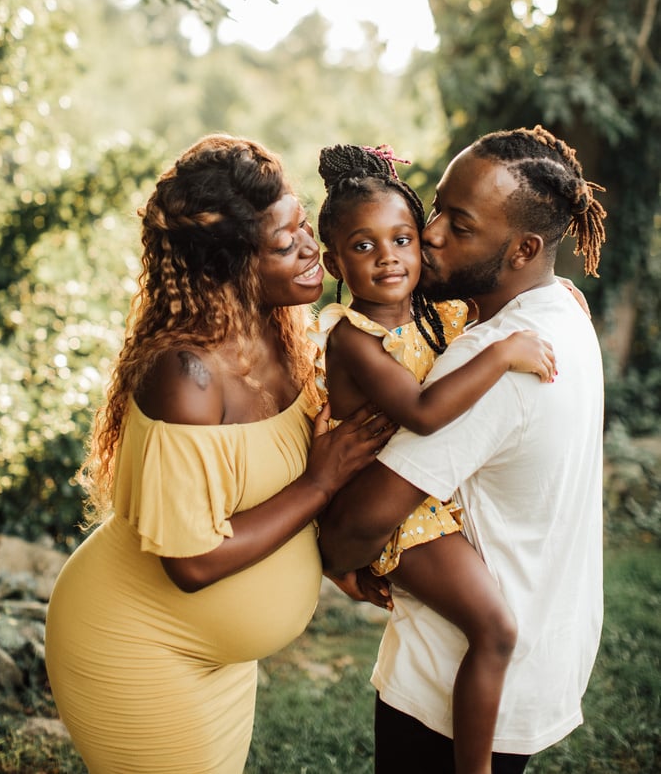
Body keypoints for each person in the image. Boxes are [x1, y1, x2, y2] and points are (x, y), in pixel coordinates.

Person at [44, 134, 395, 774]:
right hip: (138, 648)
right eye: (286, 244)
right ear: (227, 268)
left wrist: (334, 551)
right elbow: (193, 563)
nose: (315, 250)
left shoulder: (279, 328)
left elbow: (267, 490)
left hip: (219, 656)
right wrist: (319, 485)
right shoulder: (188, 376)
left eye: (303, 226)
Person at [318, 125, 607, 774]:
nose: (432, 234)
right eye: (437, 206)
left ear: (523, 247)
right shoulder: (560, 307)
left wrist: (340, 550)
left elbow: (353, 528)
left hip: (449, 691)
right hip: (537, 654)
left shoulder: (495, 360)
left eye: (461, 223)